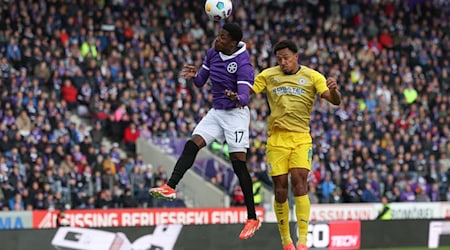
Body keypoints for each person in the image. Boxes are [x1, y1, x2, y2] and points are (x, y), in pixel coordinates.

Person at [149, 23, 261, 240]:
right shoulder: (213, 53)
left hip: (236, 115)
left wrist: (235, 97)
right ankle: (170, 186)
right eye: (219, 35)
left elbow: (245, 97)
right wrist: (194, 75)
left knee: (238, 164)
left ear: (233, 43)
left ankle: (252, 218)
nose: (217, 39)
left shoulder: (243, 64)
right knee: (193, 144)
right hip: (217, 112)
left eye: (222, 37)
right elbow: (202, 81)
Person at [229, 40, 341, 250]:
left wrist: (334, 90)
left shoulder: (312, 76)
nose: (282, 62)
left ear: (296, 56)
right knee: (280, 189)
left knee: (300, 183)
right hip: (277, 139)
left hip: (300, 138)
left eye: (286, 58)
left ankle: (303, 242)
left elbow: (335, 101)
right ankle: (286, 241)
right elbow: (248, 91)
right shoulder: (269, 75)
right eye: (279, 58)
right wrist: (235, 93)